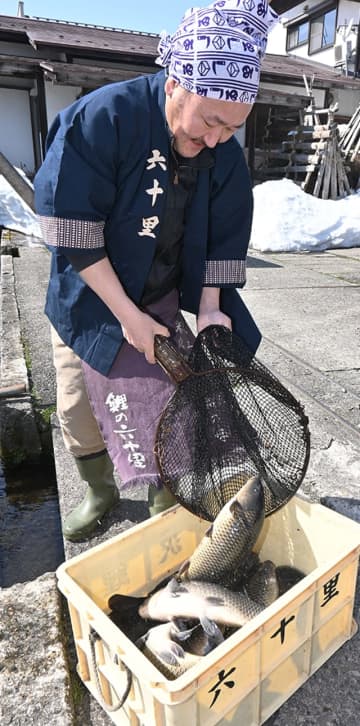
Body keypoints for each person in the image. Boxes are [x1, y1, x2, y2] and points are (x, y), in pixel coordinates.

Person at [34, 0, 278, 541]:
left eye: (232, 127)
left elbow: (223, 235)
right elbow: (71, 228)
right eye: (211, 121)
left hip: (162, 292)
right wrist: (125, 315)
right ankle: (99, 490)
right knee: (79, 405)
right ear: (174, 84)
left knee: (170, 403)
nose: (216, 138)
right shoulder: (103, 117)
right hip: (90, 296)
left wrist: (211, 308)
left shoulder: (222, 151)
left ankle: (161, 491)